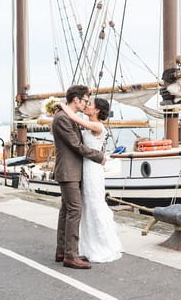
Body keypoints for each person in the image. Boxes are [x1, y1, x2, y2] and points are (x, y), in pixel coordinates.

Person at [59, 96, 123, 262]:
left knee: (94, 203)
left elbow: (73, 118)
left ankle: (100, 244)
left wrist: (61, 105)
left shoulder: (97, 126)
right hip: (85, 167)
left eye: (90, 104)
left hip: (93, 168)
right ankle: (86, 245)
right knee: (85, 206)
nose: (86, 106)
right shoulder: (90, 125)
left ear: (96, 110)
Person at [52, 85, 105, 269]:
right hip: (68, 171)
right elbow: (76, 145)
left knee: (66, 210)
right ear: (76, 99)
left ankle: (63, 251)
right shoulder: (62, 119)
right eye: (84, 100)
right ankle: (70, 256)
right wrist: (99, 156)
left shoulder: (68, 118)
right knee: (75, 210)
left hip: (72, 170)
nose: (85, 104)